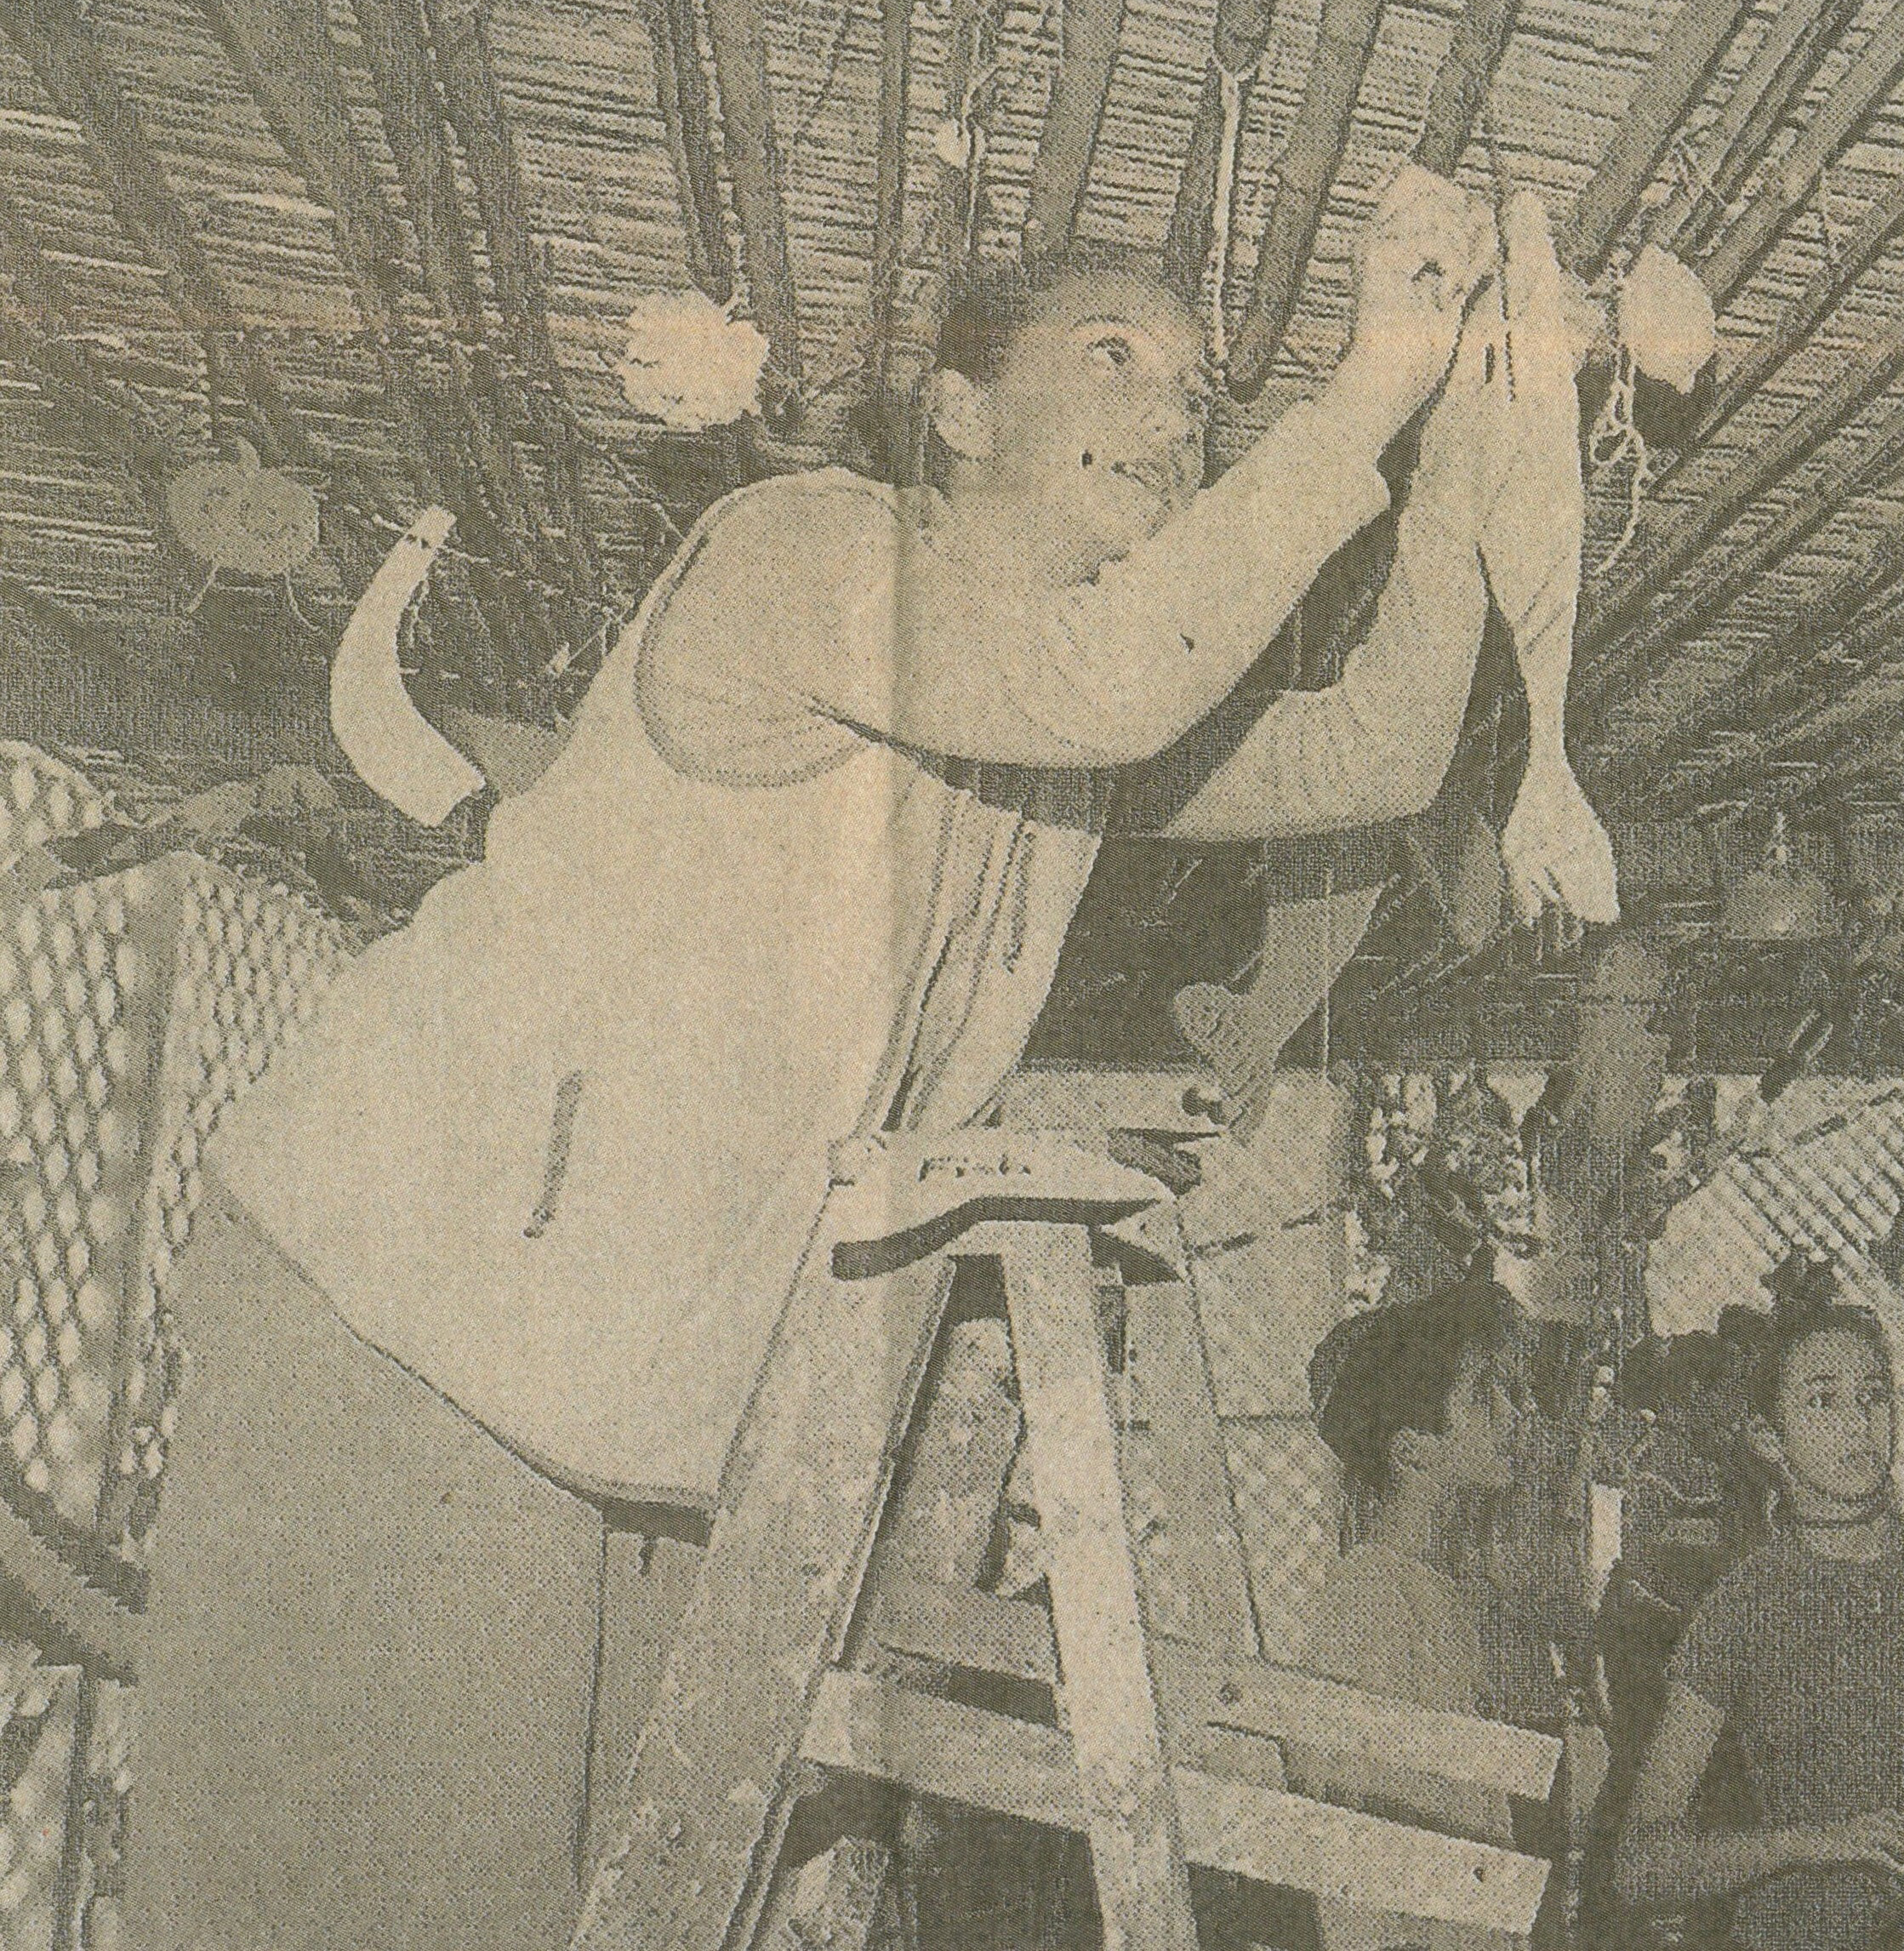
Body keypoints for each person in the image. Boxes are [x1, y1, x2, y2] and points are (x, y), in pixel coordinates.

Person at [123, 166, 1509, 1951]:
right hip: (398, 1309)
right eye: (1113, 356)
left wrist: (1466, 453)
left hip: (609, 1406)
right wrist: (1369, 384)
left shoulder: (1055, 740)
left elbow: (1380, 753)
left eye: (1194, 394)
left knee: (606, 1911)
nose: (1172, 409)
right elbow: (1106, 683)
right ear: (958, 410)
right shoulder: (814, 547)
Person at [1614, 1295, 1904, 1951]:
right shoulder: (1746, 1602)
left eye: (1874, 1395)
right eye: (1823, 1401)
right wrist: (1815, 1843)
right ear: (1768, 1436)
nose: (1860, 1424)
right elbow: (1641, 1863)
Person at [1297, 1275, 1529, 1845]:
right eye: (1481, 1393)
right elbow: (1367, 1850)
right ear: (1411, 1449)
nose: (1513, 1414)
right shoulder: (1372, 1597)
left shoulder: (1433, 1589)